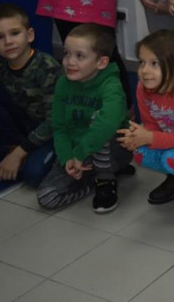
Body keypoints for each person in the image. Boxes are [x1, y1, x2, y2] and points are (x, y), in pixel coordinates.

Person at [37, 24, 130, 213]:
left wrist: (80, 153)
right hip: (77, 153)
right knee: (47, 198)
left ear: (101, 63)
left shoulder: (111, 85)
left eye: (80, 56)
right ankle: (91, 181)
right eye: (66, 54)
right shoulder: (63, 83)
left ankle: (105, 179)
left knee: (99, 120)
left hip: (111, 150)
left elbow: (108, 124)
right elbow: (59, 126)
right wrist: (67, 158)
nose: (69, 62)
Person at [0, 3, 61, 187]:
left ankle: (25, 153)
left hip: (54, 131)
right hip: (24, 128)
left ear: (30, 35)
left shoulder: (48, 67)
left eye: (15, 33)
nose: (8, 41)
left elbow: (54, 121)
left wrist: (19, 154)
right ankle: (16, 147)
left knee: (32, 176)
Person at [116, 30, 174, 205]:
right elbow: (150, 124)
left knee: (171, 158)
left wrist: (148, 137)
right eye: (142, 62)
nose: (145, 71)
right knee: (140, 153)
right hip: (172, 140)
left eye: (154, 63)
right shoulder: (142, 87)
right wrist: (137, 137)